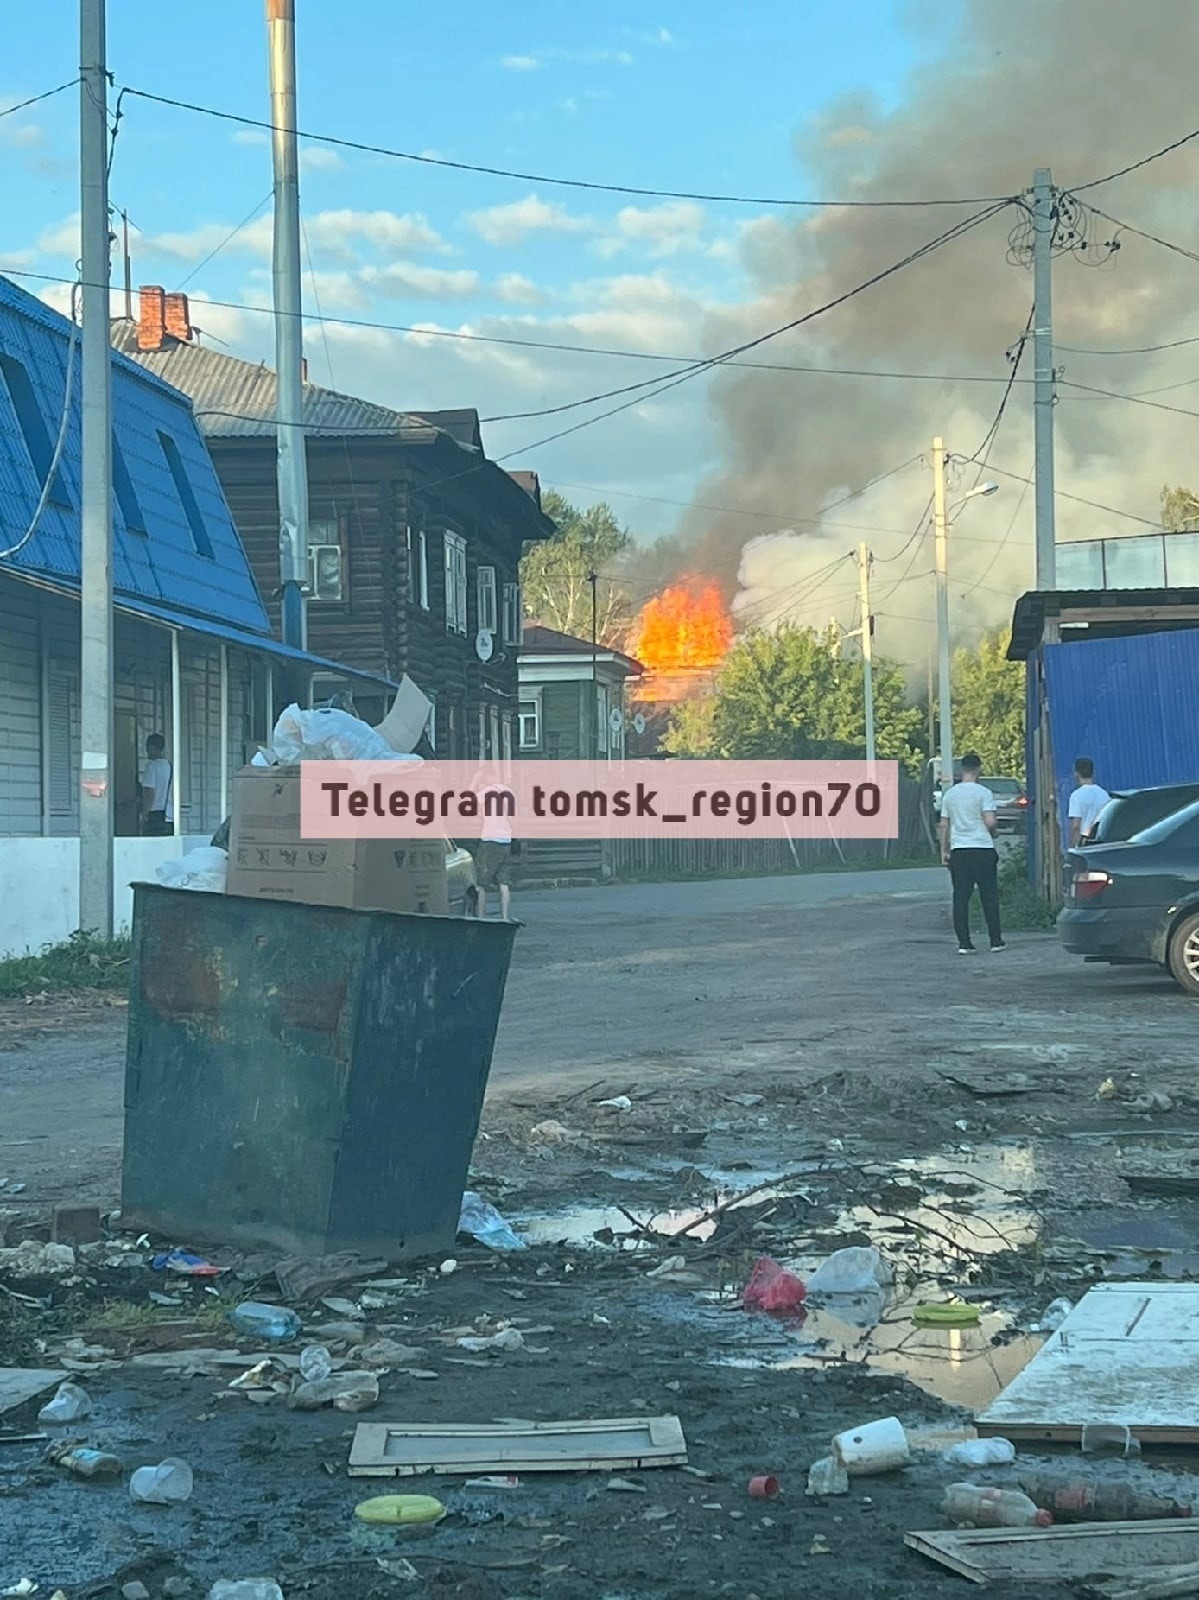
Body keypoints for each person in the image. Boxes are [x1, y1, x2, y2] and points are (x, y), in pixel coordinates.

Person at [938, 751, 1006, 954]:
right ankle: (995, 940)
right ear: (979, 769)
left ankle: (964, 943)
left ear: (962, 770)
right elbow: (990, 821)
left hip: (960, 850)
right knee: (989, 896)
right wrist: (994, 832)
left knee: (961, 897)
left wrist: (944, 850)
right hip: (982, 848)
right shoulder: (983, 793)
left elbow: (944, 825)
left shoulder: (950, 794)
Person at [471, 766, 515, 921]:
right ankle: (504, 917)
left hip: (490, 840)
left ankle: (481, 917)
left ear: (487, 777)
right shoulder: (508, 792)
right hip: (506, 840)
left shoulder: (487, 792)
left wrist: (474, 782)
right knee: (504, 883)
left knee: (480, 883)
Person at [1068, 756, 1110, 847]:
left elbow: (1076, 826)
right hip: (1101, 842)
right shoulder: (1104, 795)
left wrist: (1073, 847)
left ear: (1076, 774)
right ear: (1092, 773)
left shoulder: (1076, 796)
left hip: (1085, 843)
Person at [139, 734, 173, 837]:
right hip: (169, 815)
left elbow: (150, 794)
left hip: (155, 815)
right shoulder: (170, 766)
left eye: (147, 747)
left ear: (152, 747)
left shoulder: (151, 766)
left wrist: (144, 814)